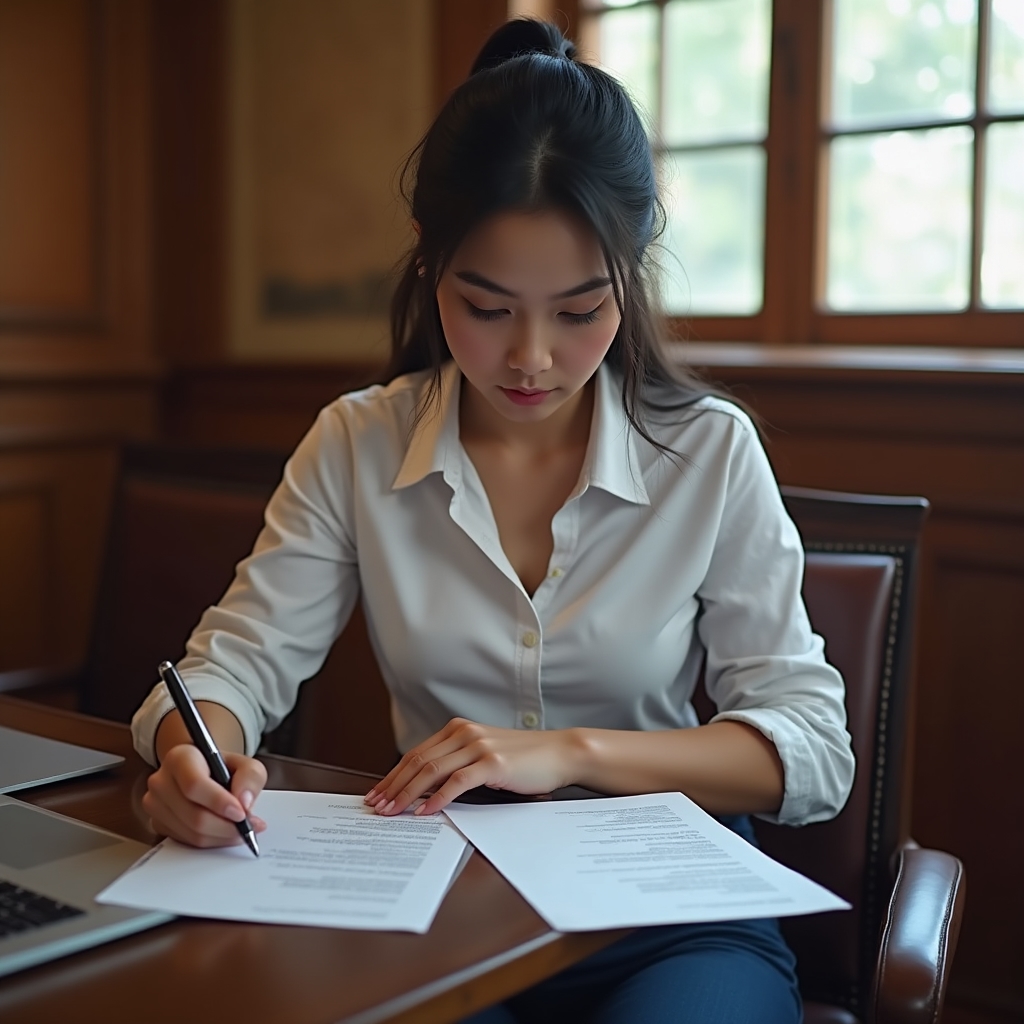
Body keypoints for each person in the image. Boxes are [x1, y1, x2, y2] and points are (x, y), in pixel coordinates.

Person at [132, 18, 854, 1024]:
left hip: (667, 916)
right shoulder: (358, 442)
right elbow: (233, 663)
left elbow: (810, 750)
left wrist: (568, 752)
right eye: (486, 305)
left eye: (577, 311)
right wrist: (189, 759)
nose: (531, 359)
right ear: (430, 269)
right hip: (437, 906)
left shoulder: (709, 452)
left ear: (631, 276)